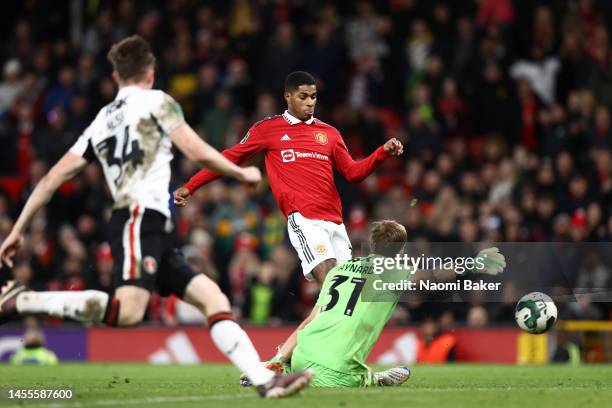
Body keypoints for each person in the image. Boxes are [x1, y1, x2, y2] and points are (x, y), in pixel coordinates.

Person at [0, 35, 311, 398]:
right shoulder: (158, 102)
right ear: (150, 72)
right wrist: (243, 173)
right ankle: (22, 300)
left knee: (214, 299)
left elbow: (52, 177)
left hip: (152, 228)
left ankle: (265, 381)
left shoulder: (102, 119)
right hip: (136, 218)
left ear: (116, 76)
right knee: (128, 312)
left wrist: (17, 230)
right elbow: (198, 151)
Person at [174, 71, 404, 365]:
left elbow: (353, 173)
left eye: (314, 97)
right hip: (305, 220)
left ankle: (286, 361)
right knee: (334, 286)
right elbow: (229, 157)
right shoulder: (268, 129)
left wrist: (382, 152)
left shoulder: (330, 133)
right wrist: (191, 186)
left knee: (345, 300)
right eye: (303, 97)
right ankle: (286, 360)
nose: (310, 103)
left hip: (335, 224)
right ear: (288, 96)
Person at [244, 220, 506, 387]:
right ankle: (373, 378)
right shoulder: (392, 271)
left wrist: (277, 357)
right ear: (400, 252)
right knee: (351, 378)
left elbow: (308, 322)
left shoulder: (339, 271)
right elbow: (432, 275)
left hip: (301, 356)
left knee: (312, 342)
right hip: (335, 373)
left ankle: (278, 368)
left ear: (371, 245)